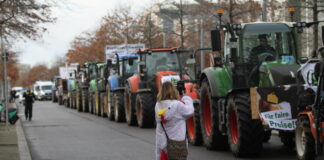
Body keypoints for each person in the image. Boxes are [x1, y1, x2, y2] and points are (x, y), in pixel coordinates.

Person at [155, 81, 194, 160]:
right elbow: (190, 111)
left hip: (164, 145)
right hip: (177, 145)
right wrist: (185, 97)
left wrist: (158, 155)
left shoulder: (157, 106)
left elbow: (159, 129)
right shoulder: (177, 105)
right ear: (173, 90)